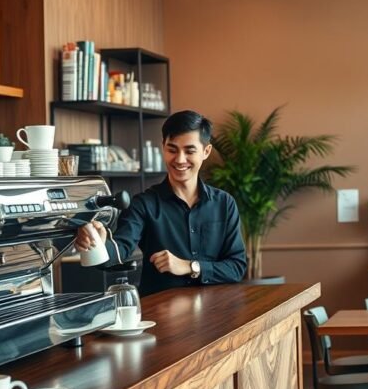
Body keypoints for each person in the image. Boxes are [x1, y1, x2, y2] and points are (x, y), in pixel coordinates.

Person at [75, 110, 247, 295]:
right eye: (172, 149)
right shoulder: (143, 204)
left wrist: (190, 266)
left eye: (189, 151)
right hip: (161, 316)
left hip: (215, 311)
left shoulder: (224, 203)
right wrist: (99, 243)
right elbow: (120, 251)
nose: (180, 159)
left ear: (206, 151)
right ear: (162, 147)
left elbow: (236, 267)